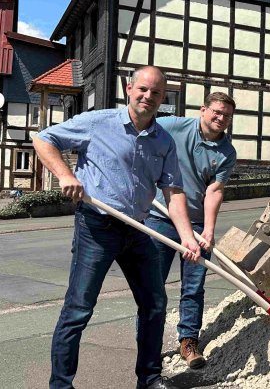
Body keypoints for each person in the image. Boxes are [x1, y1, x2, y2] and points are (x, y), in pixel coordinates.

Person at [34, 66, 200, 389]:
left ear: (163, 98)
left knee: (154, 303)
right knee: (79, 309)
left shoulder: (163, 141)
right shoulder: (99, 123)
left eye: (155, 93)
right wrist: (66, 175)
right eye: (142, 89)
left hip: (138, 228)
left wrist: (187, 237)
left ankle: (149, 378)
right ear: (129, 88)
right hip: (96, 226)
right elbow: (43, 139)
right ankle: (60, 385)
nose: (148, 97)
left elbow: (174, 193)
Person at [145, 92, 237, 369]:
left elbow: (214, 191)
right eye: (217, 112)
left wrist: (208, 230)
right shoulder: (174, 126)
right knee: (152, 286)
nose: (221, 119)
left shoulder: (226, 152)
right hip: (160, 217)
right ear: (203, 110)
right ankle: (148, 347)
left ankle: (188, 342)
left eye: (227, 116)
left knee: (194, 287)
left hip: (196, 223)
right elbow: (145, 133)